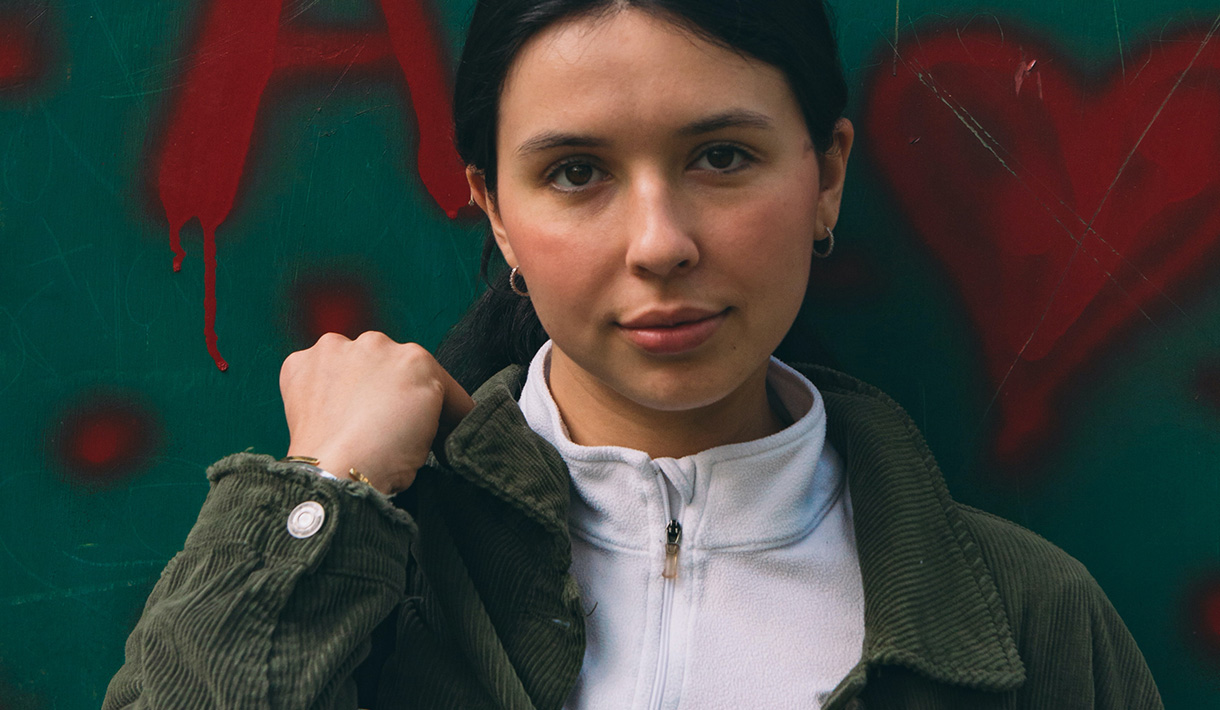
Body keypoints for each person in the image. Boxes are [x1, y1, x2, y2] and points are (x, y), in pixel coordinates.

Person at [104, 0, 1163, 708]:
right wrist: (320, 492)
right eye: (576, 173)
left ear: (826, 177)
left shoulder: (1029, 620)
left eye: (721, 156)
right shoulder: (378, 572)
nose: (659, 243)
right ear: (495, 212)